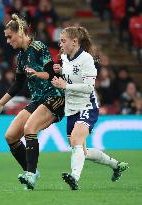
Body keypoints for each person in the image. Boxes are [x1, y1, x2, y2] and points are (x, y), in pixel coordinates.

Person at [0, 14, 65, 190]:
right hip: (38, 100)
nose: (7, 41)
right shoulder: (21, 57)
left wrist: (37, 74)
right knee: (11, 136)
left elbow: (52, 74)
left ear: (20, 32)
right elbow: (18, 84)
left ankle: (30, 175)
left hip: (55, 96)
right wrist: (1, 103)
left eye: (9, 36)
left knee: (30, 128)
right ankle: (32, 172)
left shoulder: (38, 47)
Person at [51, 26, 129, 190]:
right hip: (71, 108)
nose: (60, 43)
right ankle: (115, 165)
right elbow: (70, 72)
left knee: (77, 141)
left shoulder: (86, 59)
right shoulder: (64, 58)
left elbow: (88, 87)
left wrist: (65, 85)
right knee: (80, 149)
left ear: (74, 41)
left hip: (87, 105)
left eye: (63, 40)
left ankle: (74, 178)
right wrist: (61, 70)